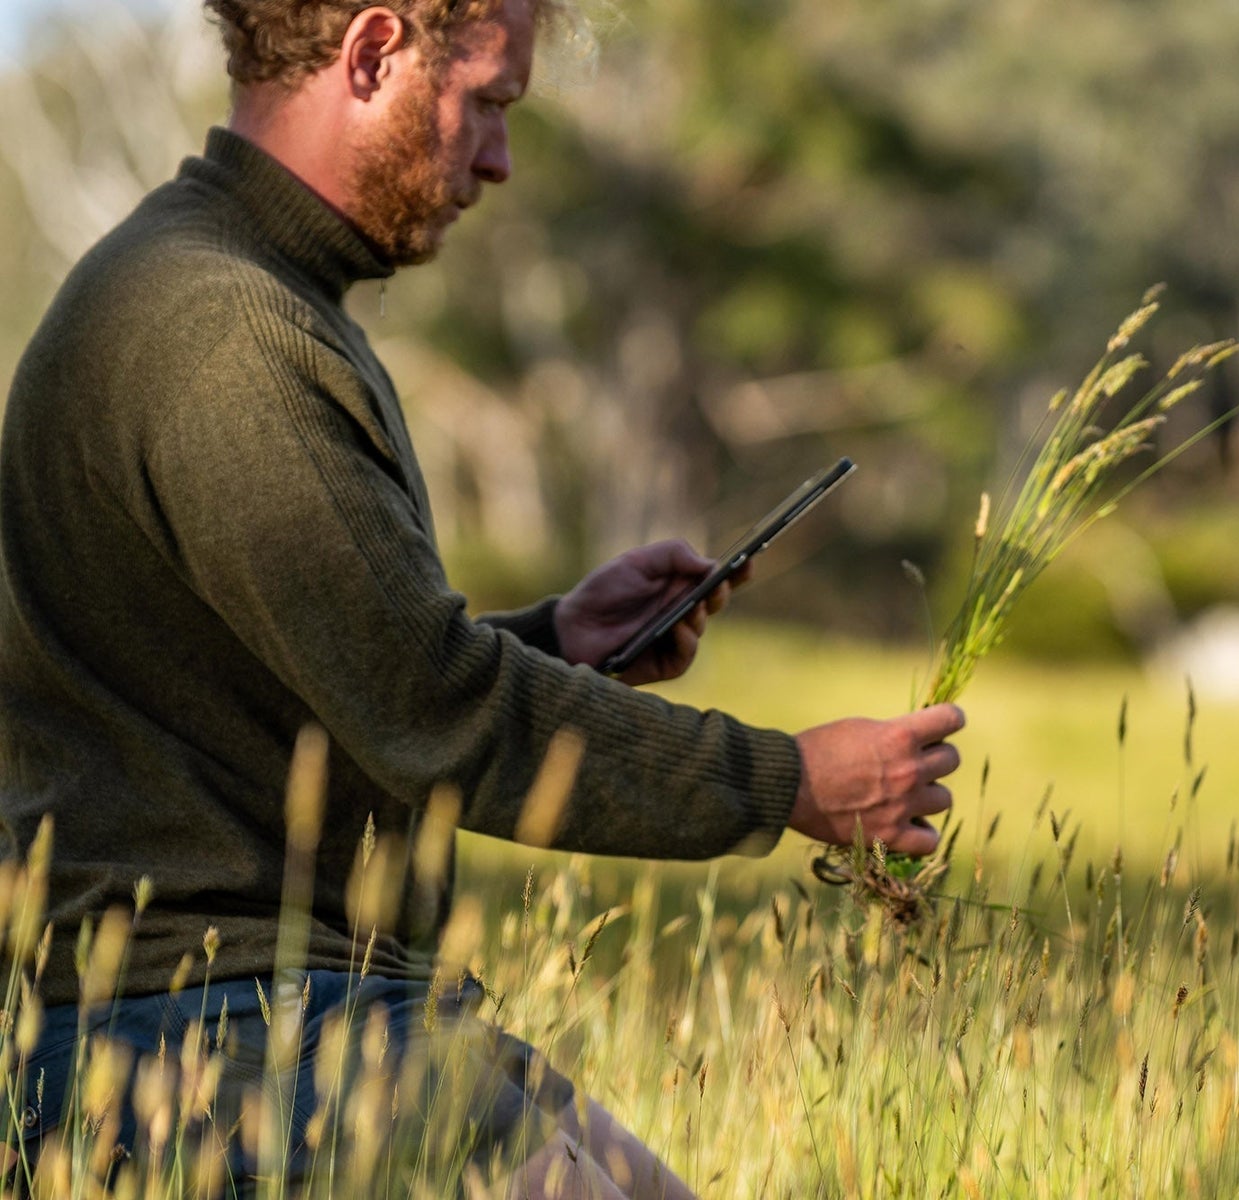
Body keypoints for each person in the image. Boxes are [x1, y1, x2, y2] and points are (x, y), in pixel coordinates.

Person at [0, 0, 964, 1195]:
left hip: (300, 1013)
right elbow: (433, 713)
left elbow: (317, 679)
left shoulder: (247, 295)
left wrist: (558, 641)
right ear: (372, 52)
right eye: (489, 104)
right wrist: (792, 783)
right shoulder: (220, 331)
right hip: (209, 1038)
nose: (499, 160)